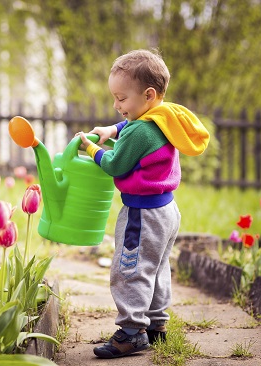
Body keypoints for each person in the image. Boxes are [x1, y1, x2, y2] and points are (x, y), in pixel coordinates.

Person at [77, 49, 210, 359]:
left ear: (148, 95)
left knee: (130, 269)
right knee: (157, 266)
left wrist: (93, 147)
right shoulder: (165, 115)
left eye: (121, 99)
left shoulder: (141, 129)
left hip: (142, 213)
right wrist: (113, 129)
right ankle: (156, 325)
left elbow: (115, 165)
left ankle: (132, 332)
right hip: (167, 211)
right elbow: (135, 127)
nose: (116, 105)